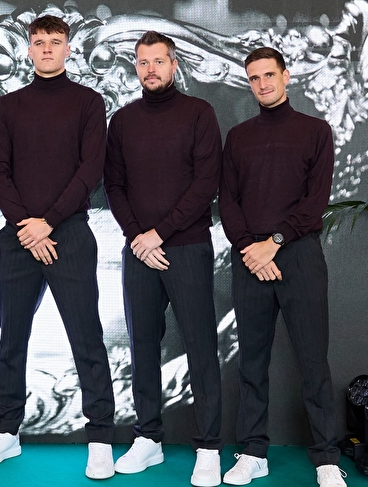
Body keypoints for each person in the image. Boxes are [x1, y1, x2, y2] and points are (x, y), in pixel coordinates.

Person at [0, 14, 116, 480]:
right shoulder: (8, 105)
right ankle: (6, 432)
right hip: (18, 238)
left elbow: (91, 170)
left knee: (87, 338)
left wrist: (47, 222)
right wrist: (26, 225)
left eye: (55, 41)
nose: (47, 48)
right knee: (11, 338)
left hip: (68, 234)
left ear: (68, 48)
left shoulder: (89, 102)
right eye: (39, 41)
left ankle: (100, 438)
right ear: (28, 49)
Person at [219, 47, 347, 487]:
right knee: (251, 363)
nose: (263, 84)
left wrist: (273, 244)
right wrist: (250, 249)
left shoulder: (315, 131)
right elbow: (228, 201)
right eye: (254, 78)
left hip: (298, 255)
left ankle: (326, 457)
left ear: (286, 76)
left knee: (313, 360)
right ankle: (253, 452)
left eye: (269, 75)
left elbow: (315, 202)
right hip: (249, 259)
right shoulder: (238, 137)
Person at [102, 31, 223, 487]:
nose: (150, 69)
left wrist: (159, 233)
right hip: (138, 251)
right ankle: (148, 438)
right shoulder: (123, 121)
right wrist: (138, 236)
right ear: (136, 67)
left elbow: (206, 182)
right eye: (143, 62)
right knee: (142, 346)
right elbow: (113, 185)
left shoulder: (199, 113)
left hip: (187, 247)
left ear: (174, 64)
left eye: (158, 61)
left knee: (200, 347)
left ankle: (208, 447)